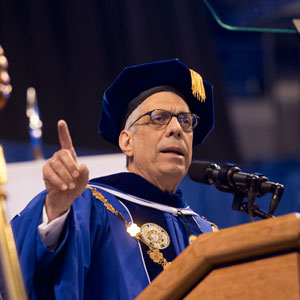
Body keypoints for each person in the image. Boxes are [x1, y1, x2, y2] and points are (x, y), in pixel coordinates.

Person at [11, 58, 216, 300]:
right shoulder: (89, 205)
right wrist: (55, 209)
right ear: (127, 142)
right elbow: (19, 268)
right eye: (159, 118)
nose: (177, 129)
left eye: (186, 120)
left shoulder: (208, 233)